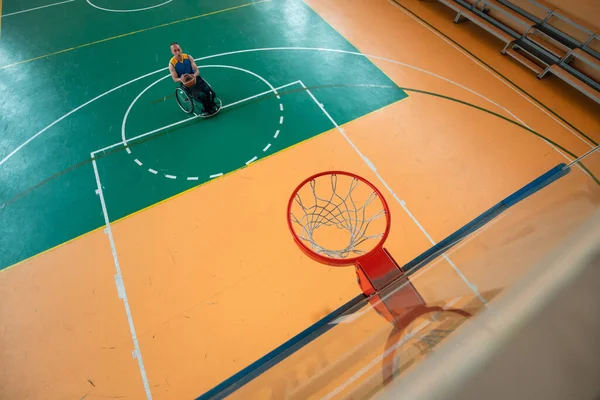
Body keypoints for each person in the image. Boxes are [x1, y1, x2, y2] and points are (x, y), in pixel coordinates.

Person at [168, 42, 218, 115]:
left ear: (181, 49)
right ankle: (206, 109)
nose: (177, 52)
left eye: (178, 49)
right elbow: (175, 79)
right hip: (187, 85)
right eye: (175, 50)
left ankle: (211, 104)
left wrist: (194, 76)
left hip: (196, 79)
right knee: (202, 95)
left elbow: (197, 71)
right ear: (172, 52)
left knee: (209, 91)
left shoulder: (188, 57)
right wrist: (181, 79)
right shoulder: (172, 64)